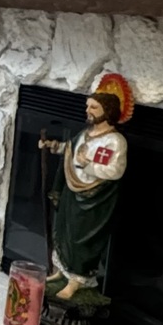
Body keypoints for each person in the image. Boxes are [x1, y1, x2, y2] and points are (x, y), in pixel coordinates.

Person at [37, 75, 132, 302]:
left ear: (107, 110)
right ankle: (60, 271)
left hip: (94, 197)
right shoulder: (86, 133)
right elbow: (71, 150)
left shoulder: (114, 141)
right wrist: (54, 146)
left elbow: (114, 171)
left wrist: (88, 165)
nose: (88, 110)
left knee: (82, 238)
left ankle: (77, 281)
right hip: (72, 190)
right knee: (64, 231)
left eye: (93, 107)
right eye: (87, 106)